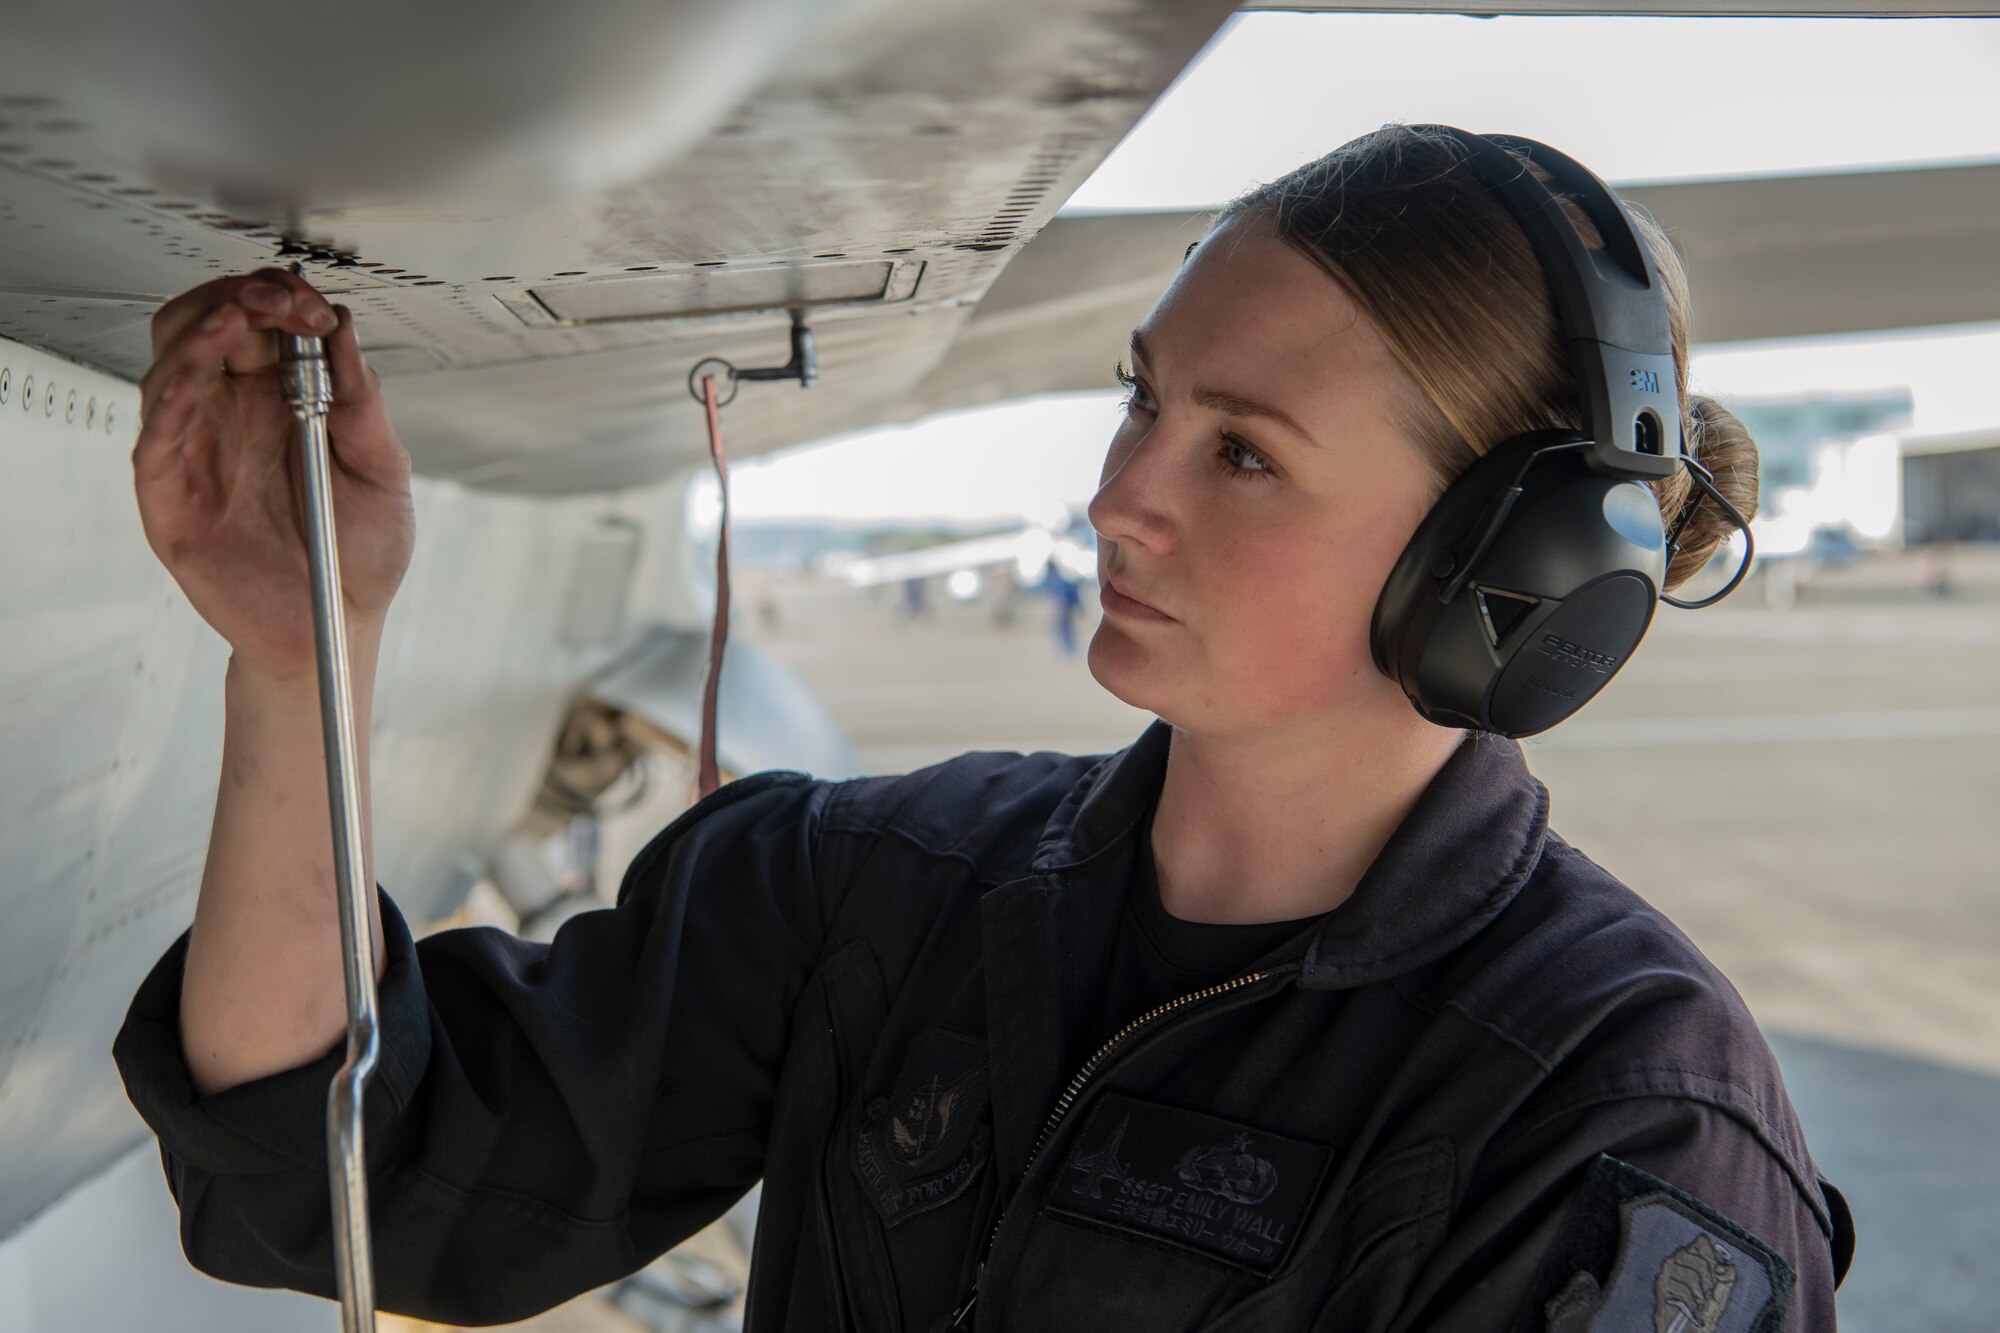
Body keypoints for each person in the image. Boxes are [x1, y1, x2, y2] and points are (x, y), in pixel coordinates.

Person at [114, 124, 1851, 1331]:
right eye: (1141, 400)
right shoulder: (867, 888)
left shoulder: (1622, 1122)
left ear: (1507, 568)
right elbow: (329, 1166)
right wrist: (299, 661)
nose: (1119, 497)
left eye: (1240, 452)